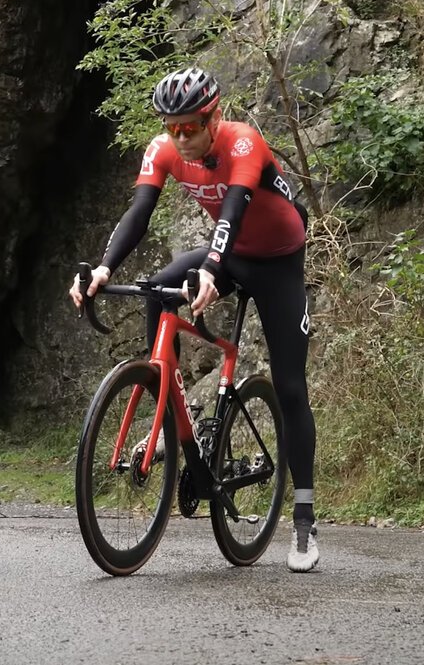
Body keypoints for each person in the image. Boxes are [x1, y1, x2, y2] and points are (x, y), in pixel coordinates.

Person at [68, 67, 320, 573]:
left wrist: (209, 268)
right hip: (229, 255)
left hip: (277, 264)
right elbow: (137, 214)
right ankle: (169, 407)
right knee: (157, 287)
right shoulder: (162, 149)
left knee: (291, 388)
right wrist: (101, 268)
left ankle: (304, 519)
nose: (179, 137)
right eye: (172, 127)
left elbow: (232, 208)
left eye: (190, 127)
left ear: (214, 117)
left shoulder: (243, 144)